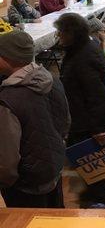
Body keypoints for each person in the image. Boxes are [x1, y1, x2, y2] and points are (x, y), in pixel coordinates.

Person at [0, 31, 70, 208]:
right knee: (56, 218)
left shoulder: (8, 100)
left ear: (7, 58)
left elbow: (7, 161)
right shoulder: (53, 80)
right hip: (53, 167)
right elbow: (65, 122)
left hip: (26, 184)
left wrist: (6, 182)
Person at [54, 13, 105, 204]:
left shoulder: (83, 57)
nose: (58, 36)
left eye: (61, 32)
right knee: (89, 167)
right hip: (83, 120)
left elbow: (96, 95)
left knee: (92, 167)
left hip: (86, 124)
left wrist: (97, 129)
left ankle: (101, 204)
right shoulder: (85, 48)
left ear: (71, 33)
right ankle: (96, 197)